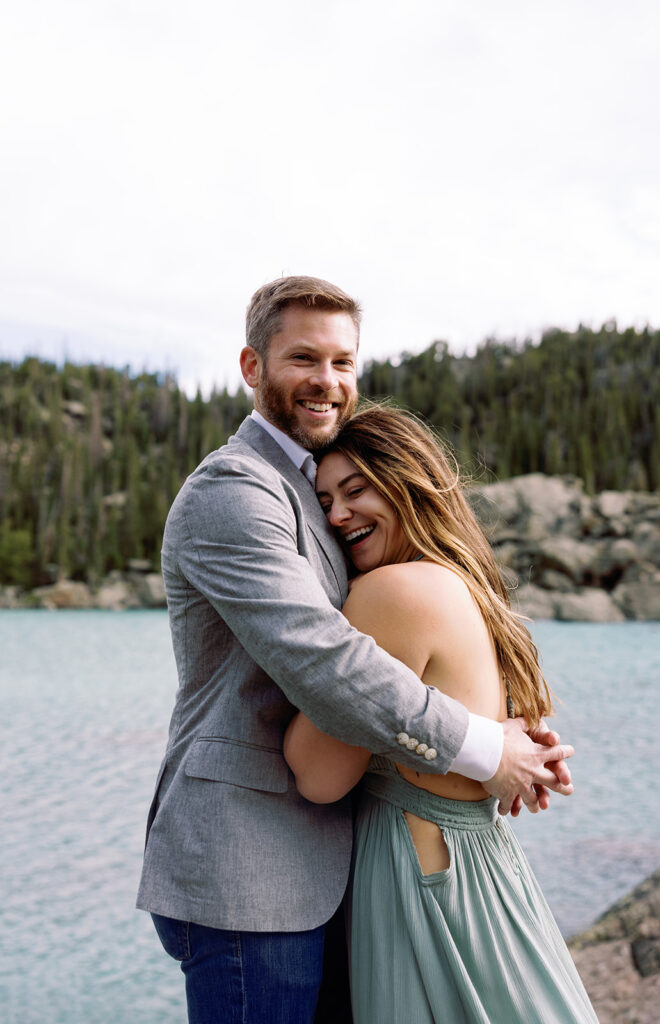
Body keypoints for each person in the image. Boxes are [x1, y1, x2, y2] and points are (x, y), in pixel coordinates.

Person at [136, 276, 574, 1024]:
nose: (327, 381)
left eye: (343, 362)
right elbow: (322, 659)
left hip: (336, 866)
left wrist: (504, 738)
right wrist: (482, 748)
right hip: (250, 868)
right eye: (303, 357)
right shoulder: (234, 492)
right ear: (251, 367)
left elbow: (391, 649)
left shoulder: (317, 492)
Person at [283, 404, 597, 1023]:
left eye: (355, 490)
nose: (337, 514)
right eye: (323, 501)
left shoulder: (392, 593)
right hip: (480, 871)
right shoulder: (459, 583)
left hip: (426, 888)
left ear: (407, 483)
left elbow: (316, 775)